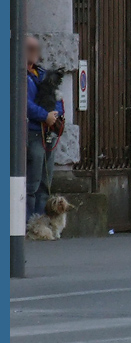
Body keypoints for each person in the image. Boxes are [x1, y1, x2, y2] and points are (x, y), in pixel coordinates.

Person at [26, 36, 63, 220]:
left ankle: (41, 222)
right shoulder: (18, 75)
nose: (34, 52)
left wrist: (55, 115)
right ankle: (27, 223)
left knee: (45, 183)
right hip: (32, 132)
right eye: (29, 48)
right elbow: (24, 104)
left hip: (49, 132)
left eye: (35, 48)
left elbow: (57, 98)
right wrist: (45, 116)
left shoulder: (41, 74)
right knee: (32, 183)